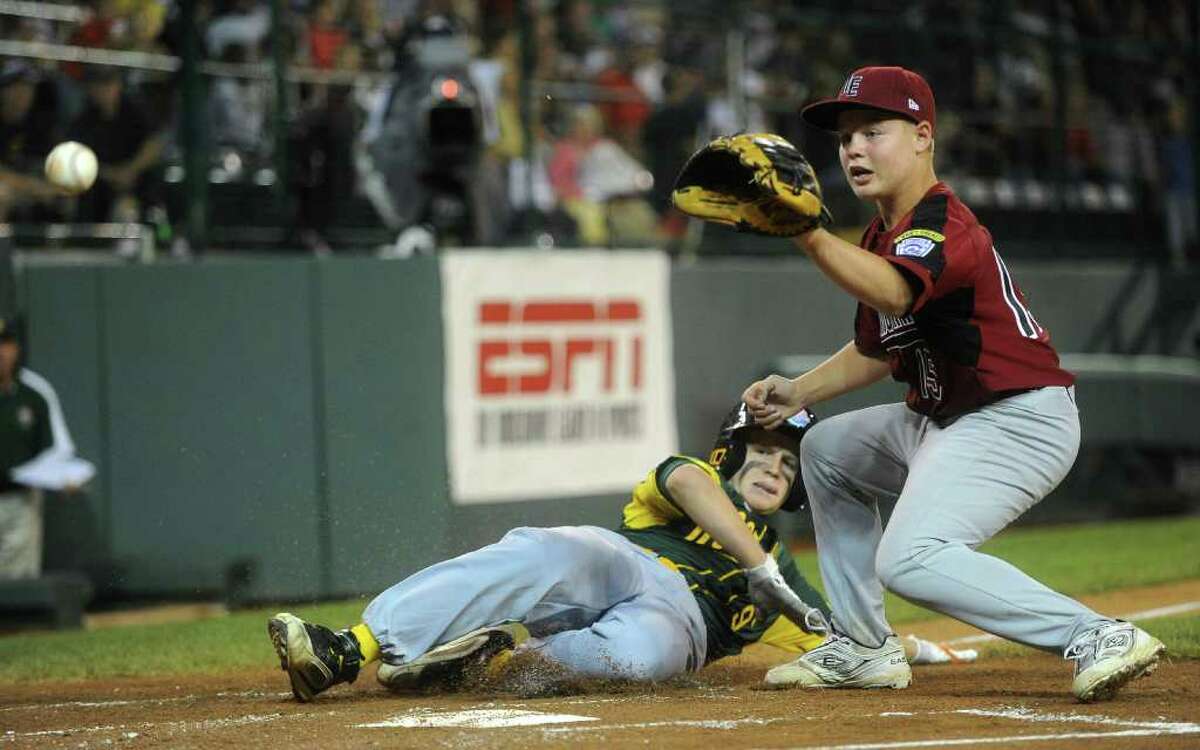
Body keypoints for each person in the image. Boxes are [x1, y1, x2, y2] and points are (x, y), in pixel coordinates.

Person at [737, 66, 1164, 702]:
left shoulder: (942, 225)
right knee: (826, 452)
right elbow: (880, 346)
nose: (853, 147)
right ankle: (862, 647)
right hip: (942, 421)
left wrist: (806, 231)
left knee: (910, 556)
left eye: (872, 131)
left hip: (1018, 420)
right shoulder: (884, 233)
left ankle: (1096, 633)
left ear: (922, 137)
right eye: (845, 137)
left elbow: (894, 290)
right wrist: (799, 392)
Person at [267, 403, 967, 702]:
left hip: (682, 624)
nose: (774, 469)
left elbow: (847, 639)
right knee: (542, 552)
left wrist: (917, 647)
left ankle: (485, 661)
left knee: (635, 659)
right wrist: (755, 566)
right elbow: (686, 479)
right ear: (734, 452)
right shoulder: (703, 485)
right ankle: (347, 648)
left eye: (788, 465)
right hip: (621, 561)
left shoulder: (785, 572)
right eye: (763, 453)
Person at [0, 317, 91, 580]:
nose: (1, 353)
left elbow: (57, 451)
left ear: (15, 348)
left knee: (17, 588)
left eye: (5, 343)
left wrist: (65, 478)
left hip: (21, 502)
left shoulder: (34, 392)